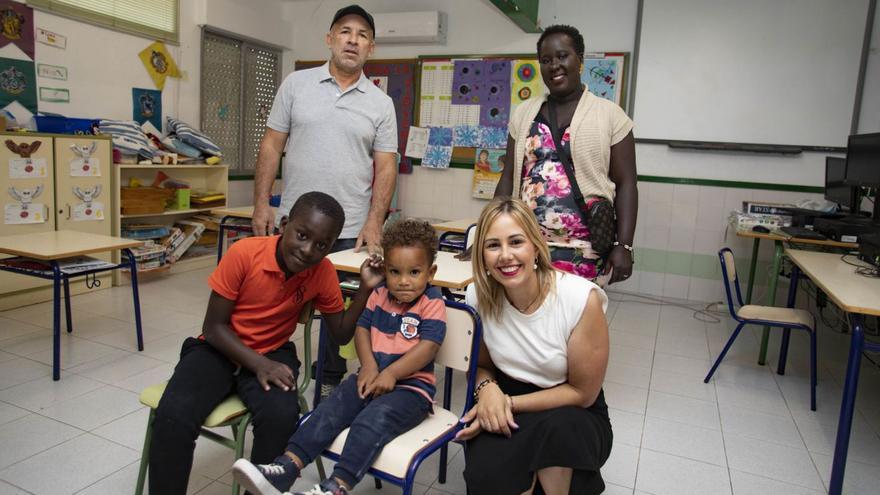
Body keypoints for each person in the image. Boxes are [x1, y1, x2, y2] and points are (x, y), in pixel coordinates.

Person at [147, 192, 384, 495]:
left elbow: (339, 335)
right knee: (175, 415)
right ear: (284, 224)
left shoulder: (322, 271)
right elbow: (214, 327)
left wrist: (364, 289)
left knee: (281, 416)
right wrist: (259, 364)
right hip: (219, 347)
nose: (308, 250)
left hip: (273, 350)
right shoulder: (244, 253)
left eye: (322, 245)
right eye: (302, 235)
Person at [231, 219, 446, 495]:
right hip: (369, 379)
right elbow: (362, 329)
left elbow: (428, 346)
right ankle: (287, 468)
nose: (403, 281)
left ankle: (337, 486)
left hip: (411, 390)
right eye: (395, 272)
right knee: (328, 410)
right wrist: (368, 366)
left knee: (369, 422)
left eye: (414, 272)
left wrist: (391, 373)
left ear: (431, 273)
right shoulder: (380, 294)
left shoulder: (432, 302)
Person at [250, 4, 399, 396]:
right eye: (345, 31)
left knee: (340, 312)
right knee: (277, 300)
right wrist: (262, 203)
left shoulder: (381, 104)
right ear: (330, 38)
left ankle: (329, 383)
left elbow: (386, 167)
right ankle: (267, 368)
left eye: (362, 34)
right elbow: (271, 146)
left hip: (348, 229)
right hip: (294, 225)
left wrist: (374, 222)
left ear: (371, 47)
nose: (353, 40)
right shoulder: (296, 85)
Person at [457, 198, 612, 495]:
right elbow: (481, 364)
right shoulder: (478, 295)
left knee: (560, 434)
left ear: (535, 246)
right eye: (492, 246)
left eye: (516, 242)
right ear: (481, 255)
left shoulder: (579, 299)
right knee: (485, 479)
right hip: (508, 395)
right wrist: (487, 389)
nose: (505, 256)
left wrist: (507, 403)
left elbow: (582, 393)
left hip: (571, 410)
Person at [495, 24, 638, 287]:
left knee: (577, 322)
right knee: (529, 320)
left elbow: (627, 183)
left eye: (562, 56)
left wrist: (624, 246)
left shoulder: (610, 115)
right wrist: (490, 234)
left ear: (580, 61)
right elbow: (508, 178)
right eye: (546, 60)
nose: (554, 66)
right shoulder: (524, 114)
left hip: (586, 248)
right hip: (526, 244)